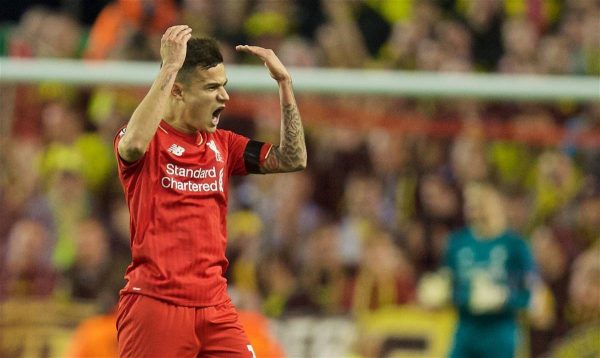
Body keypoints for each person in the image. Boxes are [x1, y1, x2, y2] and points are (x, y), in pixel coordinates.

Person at [114, 25, 306, 357]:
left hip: (215, 307)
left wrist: (285, 85)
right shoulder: (146, 140)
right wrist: (170, 66)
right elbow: (132, 144)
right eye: (212, 87)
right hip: (156, 304)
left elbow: (293, 157)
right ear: (177, 91)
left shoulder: (224, 145)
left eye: (225, 86)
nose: (225, 97)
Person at [443, 182, 536, 358]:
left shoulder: (515, 245)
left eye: (480, 202)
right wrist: (446, 294)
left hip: (500, 332)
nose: (474, 208)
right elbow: (448, 285)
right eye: (469, 202)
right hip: (466, 331)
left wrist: (504, 298)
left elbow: (529, 292)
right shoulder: (457, 243)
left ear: (495, 203)